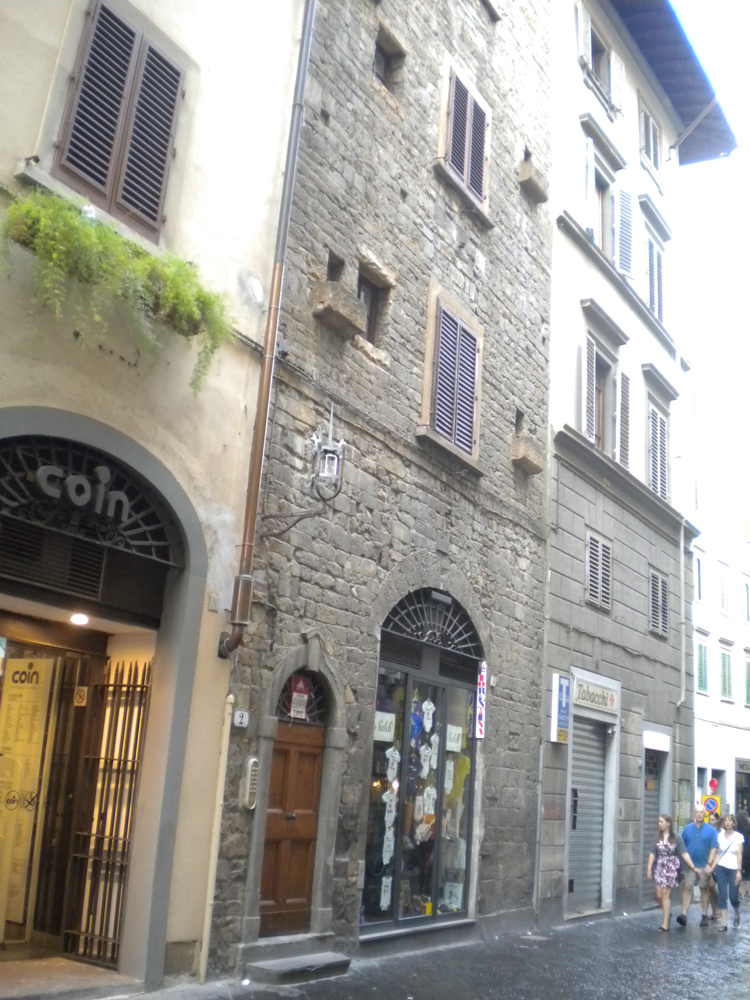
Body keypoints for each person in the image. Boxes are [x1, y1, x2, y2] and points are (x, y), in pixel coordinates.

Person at [647, 814, 698, 931]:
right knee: (659, 895)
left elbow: (684, 853)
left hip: (671, 868)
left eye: (661, 822)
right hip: (659, 867)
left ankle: (665, 924)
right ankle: (667, 911)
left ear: (668, 823)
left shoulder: (676, 838)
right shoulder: (657, 838)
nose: (659, 824)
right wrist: (649, 868)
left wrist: (693, 867)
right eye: (659, 822)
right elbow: (652, 853)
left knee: (665, 895)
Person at [677, 804, 718, 927]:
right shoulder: (687, 829)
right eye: (697, 812)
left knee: (703, 889)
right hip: (690, 865)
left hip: (703, 864)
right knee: (688, 887)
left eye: (701, 812)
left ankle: (704, 915)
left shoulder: (711, 830)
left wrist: (709, 864)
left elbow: (713, 848)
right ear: (694, 814)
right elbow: (682, 847)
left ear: (704, 814)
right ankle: (684, 915)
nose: (699, 814)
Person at [708, 813, 745, 930]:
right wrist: (712, 867)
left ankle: (736, 911)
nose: (728, 823)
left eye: (730, 821)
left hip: (734, 868)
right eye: (726, 821)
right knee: (722, 895)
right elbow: (718, 853)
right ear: (723, 823)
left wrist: (739, 871)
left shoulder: (739, 837)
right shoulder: (719, 836)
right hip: (721, 867)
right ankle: (724, 923)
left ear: (734, 823)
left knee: (733, 896)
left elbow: (739, 855)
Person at [707, 812, 722, 919]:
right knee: (709, 886)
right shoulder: (707, 831)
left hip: (718, 862)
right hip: (707, 860)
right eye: (710, 819)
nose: (711, 821)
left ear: (717, 820)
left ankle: (717, 908)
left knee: (711, 885)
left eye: (713, 819)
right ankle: (714, 911)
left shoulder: (720, 832)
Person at [736, 808, 750, 899]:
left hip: (738, 850)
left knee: (739, 870)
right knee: (748, 873)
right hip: (748, 850)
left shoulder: (736, 827)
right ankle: (747, 892)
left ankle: (739, 892)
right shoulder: (748, 827)